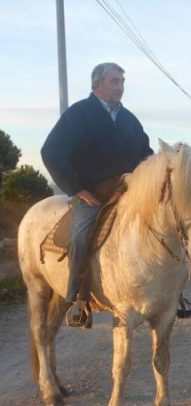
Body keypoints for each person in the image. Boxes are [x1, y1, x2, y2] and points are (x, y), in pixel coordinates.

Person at [41, 62, 153, 327]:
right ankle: (77, 297)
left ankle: (166, 290)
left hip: (129, 192)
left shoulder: (129, 119)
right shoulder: (79, 114)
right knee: (80, 237)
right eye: (115, 81)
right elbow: (51, 151)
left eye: (122, 82)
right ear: (98, 84)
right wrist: (77, 189)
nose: (120, 87)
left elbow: (145, 154)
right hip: (93, 194)